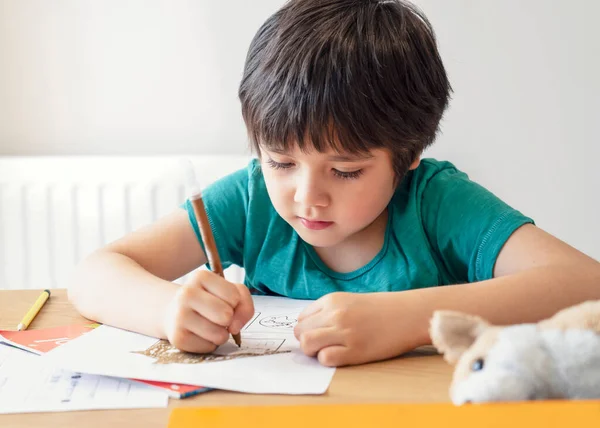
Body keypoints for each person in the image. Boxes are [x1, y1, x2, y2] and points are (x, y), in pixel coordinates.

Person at [68, 0, 600, 367]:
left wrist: (406, 319)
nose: (305, 196)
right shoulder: (253, 199)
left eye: (345, 171)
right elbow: (93, 275)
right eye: (280, 162)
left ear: (409, 155)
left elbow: (585, 283)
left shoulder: (436, 202)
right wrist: (166, 311)